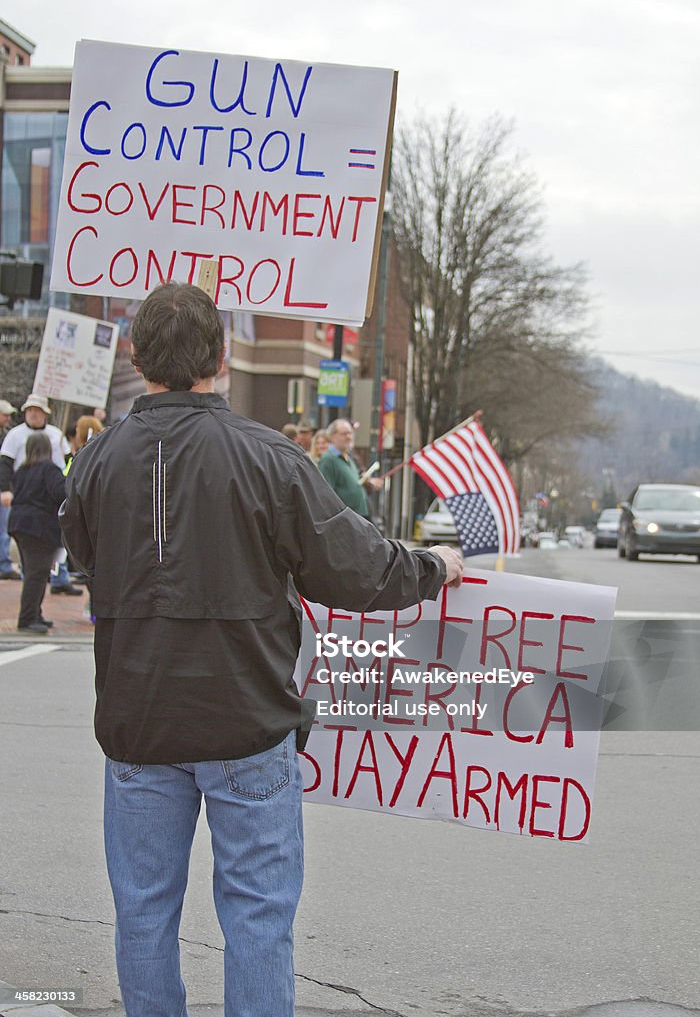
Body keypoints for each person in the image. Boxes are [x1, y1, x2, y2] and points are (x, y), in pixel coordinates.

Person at [60, 281, 463, 1017]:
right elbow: (353, 567)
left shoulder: (95, 460)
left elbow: (81, 558)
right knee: (257, 915)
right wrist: (434, 567)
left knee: (143, 912)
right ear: (219, 356)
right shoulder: (268, 457)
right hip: (244, 719)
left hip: (139, 723)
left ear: (136, 353)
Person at [0, 394, 82, 597]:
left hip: (53, 494)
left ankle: (58, 577)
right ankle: (31, 579)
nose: (33, 414)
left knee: (57, 544)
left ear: (45, 414)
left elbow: (69, 461)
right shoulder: (15, 435)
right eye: (30, 410)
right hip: (26, 494)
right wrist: (5, 490)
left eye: (37, 411)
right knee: (32, 552)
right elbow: (5, 464)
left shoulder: (56, 434)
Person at [8, 432, 67, 633]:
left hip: (18, 524)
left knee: (34, 572)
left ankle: (35, 614)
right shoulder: (49, 469)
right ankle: (26, 619)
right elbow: (61, 492)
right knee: (37, 574)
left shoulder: (22, 470)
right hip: (39, 528)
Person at [318, 418, 384, 519]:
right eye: (344, 434)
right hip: (345, 520)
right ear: (332, 436)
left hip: (359, 516)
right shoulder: (328, 460)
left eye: (350, 433)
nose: (348, 437)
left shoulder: (349, 458)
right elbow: (326, 495)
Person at [0, 399, 21, 580]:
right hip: (3, 488)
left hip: (4, 487)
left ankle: (4, 564)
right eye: (5, 414)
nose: (8, 418)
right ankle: (4, 565)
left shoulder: (7, 434)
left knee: (4, 529)